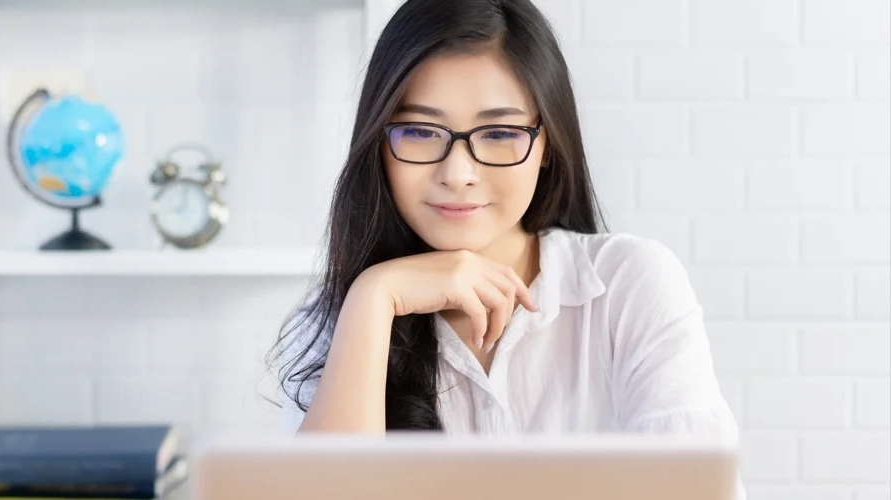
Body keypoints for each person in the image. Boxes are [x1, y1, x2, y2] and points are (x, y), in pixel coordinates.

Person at [267, 0, 742, 478]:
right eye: (417, 130)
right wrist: (373, 297)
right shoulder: (341, 319)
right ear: (378, 143)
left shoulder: (627, 285)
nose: (458, 173)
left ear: (548, 144)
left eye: (499, 133)